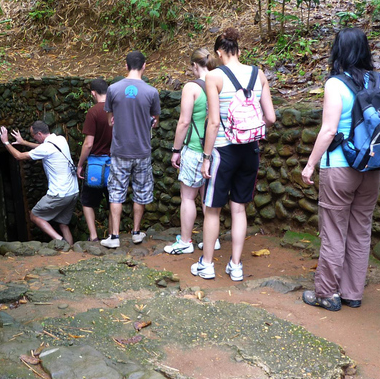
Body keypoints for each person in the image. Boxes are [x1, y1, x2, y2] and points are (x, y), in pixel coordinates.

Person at [300, 27, 380, 311]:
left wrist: (310, 164)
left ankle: (327, 293)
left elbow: (328, 131)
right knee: (361, 229)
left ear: (338, 51)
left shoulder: (335, 84)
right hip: (371, 165)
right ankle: (352, 292)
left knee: (334, 231)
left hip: (339, 166)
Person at [192, 28, 276, 280]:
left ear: (218, 52)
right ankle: (236, 266)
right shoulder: (258, 73)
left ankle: (207, 264)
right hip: (250, 150)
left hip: (222, 151)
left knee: (212, 209)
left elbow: (214, 122)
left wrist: (206, 157)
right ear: (239, 50)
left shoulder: (214, 77)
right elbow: (270, 117)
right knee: (239, 209)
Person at [100, 51, 161, 249]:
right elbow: (155, 122)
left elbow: (110, 119)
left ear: (125, 66)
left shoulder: (113, 89)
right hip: (142, 150)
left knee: (116, 192)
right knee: (141, 192)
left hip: (119, 150)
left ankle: (115, 236)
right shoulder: (152, 92)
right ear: (144, 66)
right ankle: (136, 233)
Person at [165, 48, 217, 254]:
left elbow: (184, 121)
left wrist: (176, 149)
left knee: (188, 197)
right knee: (208, 198)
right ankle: (212, 240)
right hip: (214, 149)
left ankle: (186, 241)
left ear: (195, 65)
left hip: (195, 148)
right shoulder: (219, 82)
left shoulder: (192, 87)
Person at [0, 121, 78, 245]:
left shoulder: (46, 148)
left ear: (39, 134)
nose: (33, 138)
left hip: (59, 193)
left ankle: (60, 241)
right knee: (63, 224)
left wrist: (5, 142)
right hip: (73, 191)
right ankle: (72, 250)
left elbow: (19, 156)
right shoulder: (60, 139)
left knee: (35, 216)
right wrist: (23, 142)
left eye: (33, 136)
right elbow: (42, 148)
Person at [76, 78, 112, 242]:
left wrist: (80, 164)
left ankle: (94, 236)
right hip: (114, 163)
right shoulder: (116, 110)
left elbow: (88, 143)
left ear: (93, 93)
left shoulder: (93, 112)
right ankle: (113, 234)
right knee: (113, 200)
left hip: (96, 164)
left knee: (88, 201)